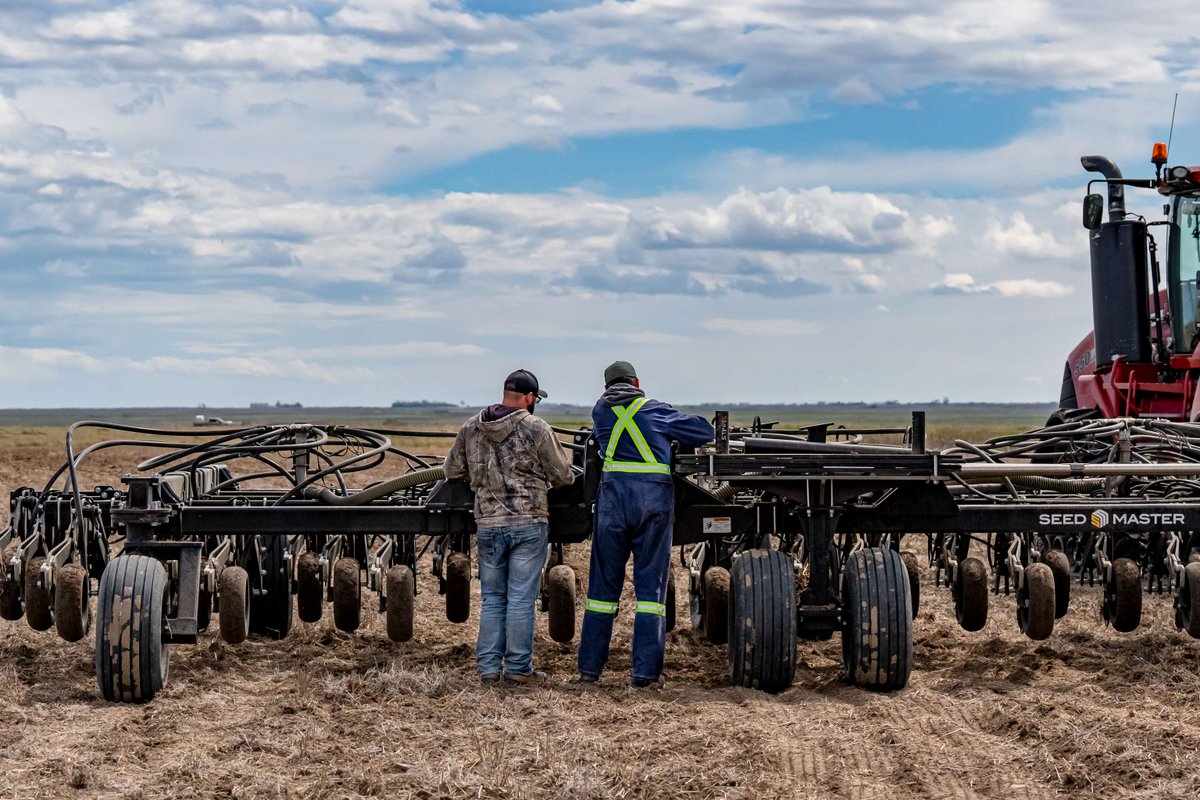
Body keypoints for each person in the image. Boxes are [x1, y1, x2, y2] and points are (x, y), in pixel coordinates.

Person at [577, 360, 714, 687]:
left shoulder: (601, 412)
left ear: (606, 387)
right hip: (652, 503)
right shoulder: (655, 410)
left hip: (611, 504)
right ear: (637, 382)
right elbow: (704, 430)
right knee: (651, 593)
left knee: (601, 592)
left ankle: (589, 672)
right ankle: (644, 676)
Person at [445, 369, 575, 686]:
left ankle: (489, 670)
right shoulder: (536, 428)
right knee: (519, 600)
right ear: (529, 398)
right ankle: (518, 669)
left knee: (492, 599)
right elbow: (561, 476)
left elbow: (452, 470)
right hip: (528, 524)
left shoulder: (472, 426)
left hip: (488, 525)